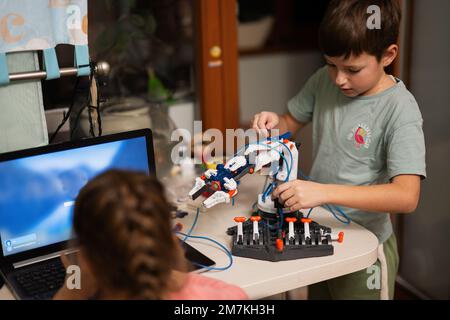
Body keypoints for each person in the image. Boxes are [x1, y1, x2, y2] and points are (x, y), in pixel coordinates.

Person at [252, 0, 426, 299]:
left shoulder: (400, 109)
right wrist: (273, 122)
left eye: (352, 69)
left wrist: (323, 192)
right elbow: (289, 122)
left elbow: (406, 196)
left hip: (365, 247)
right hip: (320, 233)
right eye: (331, 64)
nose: (339, 79)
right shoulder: (323, 80)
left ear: (388, 55)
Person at [54, 169, 248, 300]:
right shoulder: (229, 296)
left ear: (86, 262)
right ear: (172, 241)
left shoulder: (78, 283)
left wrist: (73, 289)